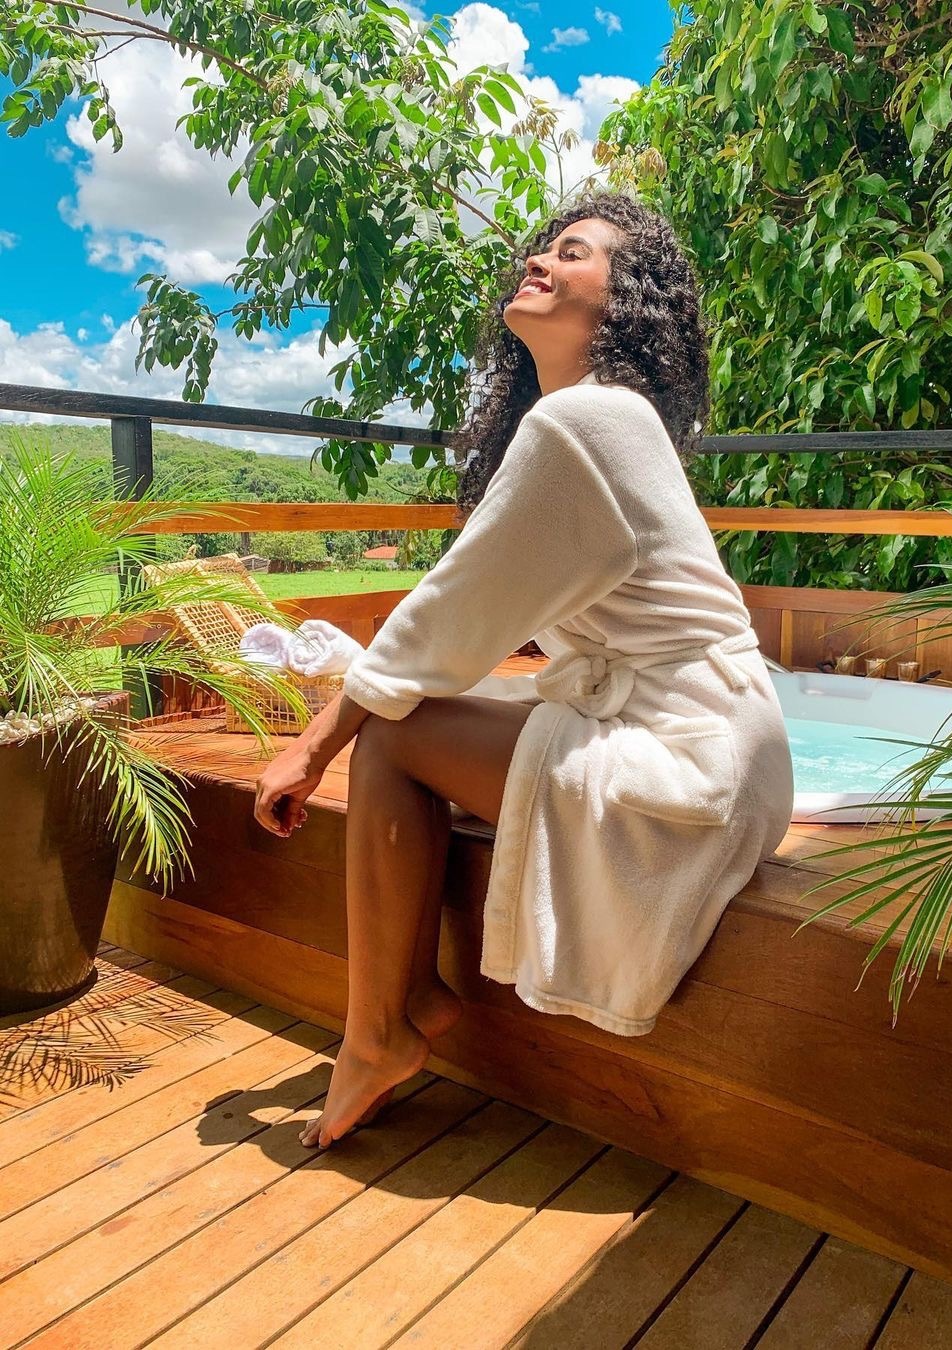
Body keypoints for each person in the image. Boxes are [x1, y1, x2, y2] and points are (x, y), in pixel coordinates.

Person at [253, 189, 794, 1150]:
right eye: (545, 247)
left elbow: (449, 611)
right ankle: (398, 1008)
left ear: (626, 303)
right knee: (412, 721)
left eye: (575, 253)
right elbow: (464, 614)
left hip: (688, 760)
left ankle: (379, 1030)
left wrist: (312, 744)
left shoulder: (588, 419)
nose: (541, 259)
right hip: (723, 748)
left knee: (394, 735)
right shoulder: (590, 420)